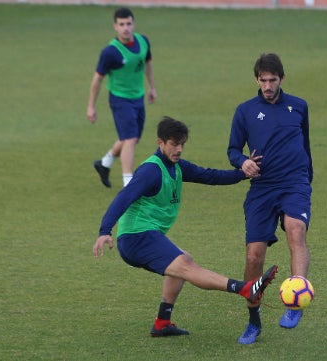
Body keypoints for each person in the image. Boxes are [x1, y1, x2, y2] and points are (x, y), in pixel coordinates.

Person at [92, 116, 278, 337]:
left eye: (182, 144)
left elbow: (209, 176)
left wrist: (242, 173)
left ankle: (162, 323)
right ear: (160, 142)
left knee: (181, 263)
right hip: (136, 237)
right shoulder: (151, 171)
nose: (179, 149)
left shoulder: (178, 166)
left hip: (146, 235)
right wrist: (105, 231)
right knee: (187, 266)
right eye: (174, 144)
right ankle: (245, 289)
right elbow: (123, 198)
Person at [227, 53, 313, 344]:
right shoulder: (245, 111)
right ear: (256, 80)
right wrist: (242, 163)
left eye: (272, 80)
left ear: (282, 79)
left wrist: (306, 181)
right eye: (262, 80)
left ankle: (295, 302)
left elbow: (306, 146)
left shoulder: (299, 107)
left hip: (294, 184)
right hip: (262, 188)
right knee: (254, 256)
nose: (267, 85)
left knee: (296, 230)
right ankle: (253, 321)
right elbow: (232, 150)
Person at [87, 7, 157, 187]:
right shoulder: (110, 52)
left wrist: (152, 87)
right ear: (115, 27)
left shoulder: (143, 42)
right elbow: (97, 80)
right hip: (120, 99)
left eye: (128, 23)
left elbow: (147, 64)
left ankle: (104, 163)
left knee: (130, 139)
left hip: (138, 97)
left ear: (134, 24)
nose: (125, 28)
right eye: (121, 24)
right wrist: (91, 106)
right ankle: (129, 184)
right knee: (131, 139)